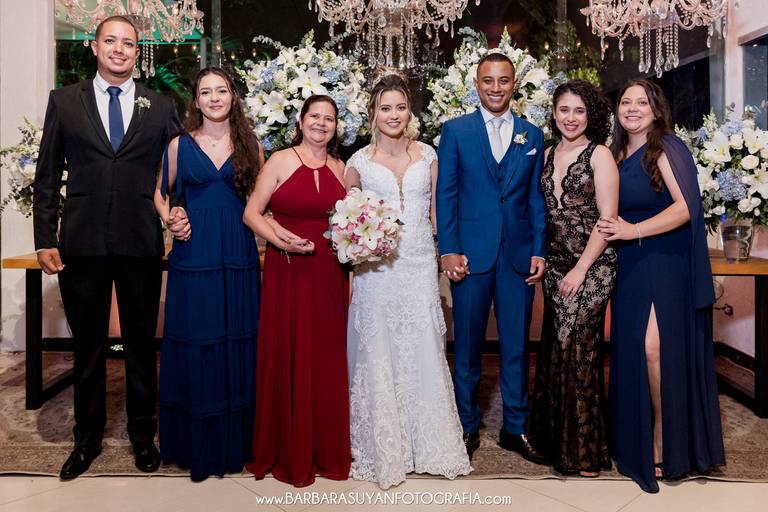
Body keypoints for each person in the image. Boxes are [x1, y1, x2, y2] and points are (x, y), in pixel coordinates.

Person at [33, 15, 182, 480]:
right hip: (82, 242)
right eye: (111, 41)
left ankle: (143, 435)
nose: (120, 49)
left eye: (129, 43)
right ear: (94, 47)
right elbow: (46, 175)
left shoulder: (160, 105)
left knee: (140, 345)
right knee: (89, 347)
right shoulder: (64, 101)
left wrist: (177, 217)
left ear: (137, 52)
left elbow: (177, 172)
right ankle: (86, 439)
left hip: (140, 241)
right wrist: (45, 238)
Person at [344, 71, 472, 489]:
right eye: (385, 108)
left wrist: (447, 250)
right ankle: (385, 446)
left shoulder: (429, 155)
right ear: (373, 113)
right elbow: (346, 219)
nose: (394, 114)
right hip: (376, 270)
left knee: (423, 346)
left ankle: (428, 445)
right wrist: (361, 245)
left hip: (417, 264)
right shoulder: (358, 162)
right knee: (379, 349)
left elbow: (438, 213)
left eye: (400, 107)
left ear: (410, 111)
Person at [597, 79, 725, 493]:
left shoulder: (666, 147)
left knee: (654, 348)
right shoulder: (615, 153)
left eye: (641, 102)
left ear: (656, 110)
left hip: (665, 260)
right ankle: (633, 437)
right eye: (626, 102)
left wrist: (633, 230)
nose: (632, 108)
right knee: (633, 349)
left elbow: (686, 207)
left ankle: (663, 436)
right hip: (630, 264)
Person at [436, 52, 547, 464]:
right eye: (488, 81)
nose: (496, 88)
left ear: (514, 84)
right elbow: (446, 194)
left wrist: (538, 249)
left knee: (517, 346)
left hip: (517, 257)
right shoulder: (456, 131)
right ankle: (466, 425)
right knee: (467, 346)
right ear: (476, 84)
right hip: (470, 255)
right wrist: (448, 249)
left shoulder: (531, 135)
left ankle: (515, 427)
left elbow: (535, 198)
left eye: (503, 81)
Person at [154, 67, 263, 481]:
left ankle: (239, 442)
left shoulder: (252, 145)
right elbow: (160, 194)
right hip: (194, 251)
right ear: (196, 100)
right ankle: (193, 442)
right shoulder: (179, 145)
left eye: (221, 90)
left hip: (237, 251)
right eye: (206, 92)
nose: (214, 98)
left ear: (233, 96)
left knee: (238, 338)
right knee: (198, 338)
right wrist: (171, 217)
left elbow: (259, 202)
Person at [244, 95, 351, 487]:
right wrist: (281, 240)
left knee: (325, 357)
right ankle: (288, 447)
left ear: (336, 127)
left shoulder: (341, 167)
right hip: (287, 270)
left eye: (329, 118)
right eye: (314, 116)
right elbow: (251, 212)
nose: (321, 123)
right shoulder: (279, 160)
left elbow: (349, 221)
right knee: (288, 352)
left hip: (329, 272)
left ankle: (325, 449)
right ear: (301, 121)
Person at [528, 80, 618, 477]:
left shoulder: (600, 155)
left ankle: (585, 452)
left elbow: (608, 221)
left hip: (594, 265)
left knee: (578, 348)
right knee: (555, 347)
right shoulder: (547, 154)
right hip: (556, 264)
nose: (570, 118)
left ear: (590, 115)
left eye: (579, 111)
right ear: (554, 113)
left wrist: (581, 269)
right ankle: (553, 443)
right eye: (564, 109)